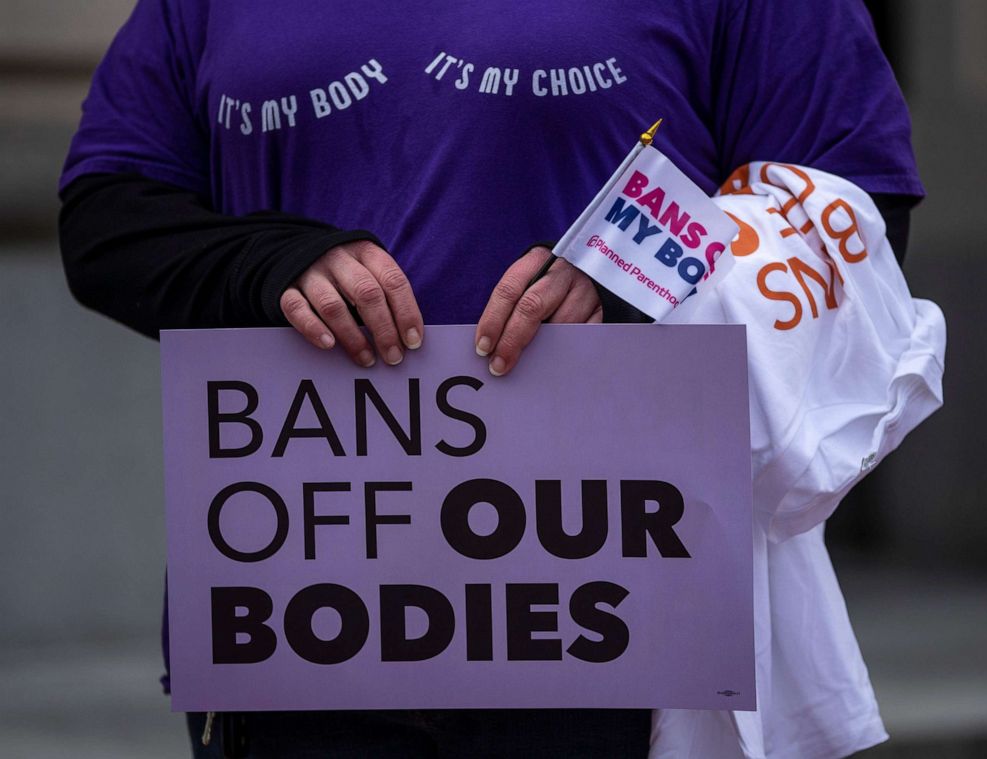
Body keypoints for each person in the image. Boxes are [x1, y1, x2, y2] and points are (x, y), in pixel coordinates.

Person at [59, 1, 923, 756]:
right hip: (301, 625)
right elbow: (107, 221)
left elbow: (849, 205)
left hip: (620, 629)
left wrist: (637, 279)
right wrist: (263, 262)